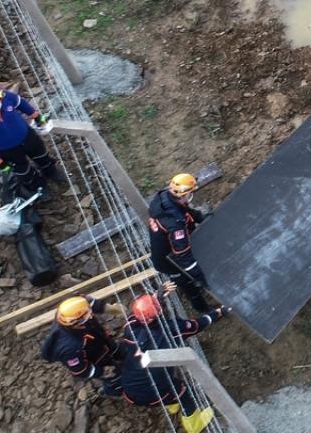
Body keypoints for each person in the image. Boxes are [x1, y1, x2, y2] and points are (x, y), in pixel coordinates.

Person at [115, 284, 224, 432]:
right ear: (159, 314)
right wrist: (217, 313)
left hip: (129, 385)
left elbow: (139, 314)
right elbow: (197, 325)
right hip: (149, 393)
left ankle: (171, 404)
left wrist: (156, 297)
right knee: (184, 391)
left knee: (165, 385)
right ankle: (193, 425)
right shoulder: (170, 330)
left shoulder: (131, 327)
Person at [0, 86, 66, 191]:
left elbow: (20, 103)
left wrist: (36, 116)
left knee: (42, 156)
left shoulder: (3, 97)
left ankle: (51, 171)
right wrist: (0, 163)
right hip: (9, 151)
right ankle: (36, 184)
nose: (0, 104)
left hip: (27, 136)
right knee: (23, 171)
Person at [149, 173, 214, 313]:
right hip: (169, 262)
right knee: (188, 284)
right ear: (183, 194)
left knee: (192, 273)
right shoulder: (175, 223)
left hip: (169, 246)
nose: (191, 195)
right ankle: (204, 310)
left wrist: (201, 218)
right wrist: (201, 279)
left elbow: (186, 211)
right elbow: (183, 256)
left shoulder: (164, 198)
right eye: (190, 193)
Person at [40, 295, 127, 386]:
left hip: (100, 340)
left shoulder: (72, 306)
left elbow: (87, 302)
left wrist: (107, 308)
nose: (90, 317)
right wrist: (101, 372)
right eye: (86, 317)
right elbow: (81, 370)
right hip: (96, 358)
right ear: (76, 323)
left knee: (113, 348)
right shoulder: (70, 348)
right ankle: (114, 389)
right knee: (115, 377)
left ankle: (117, 352)